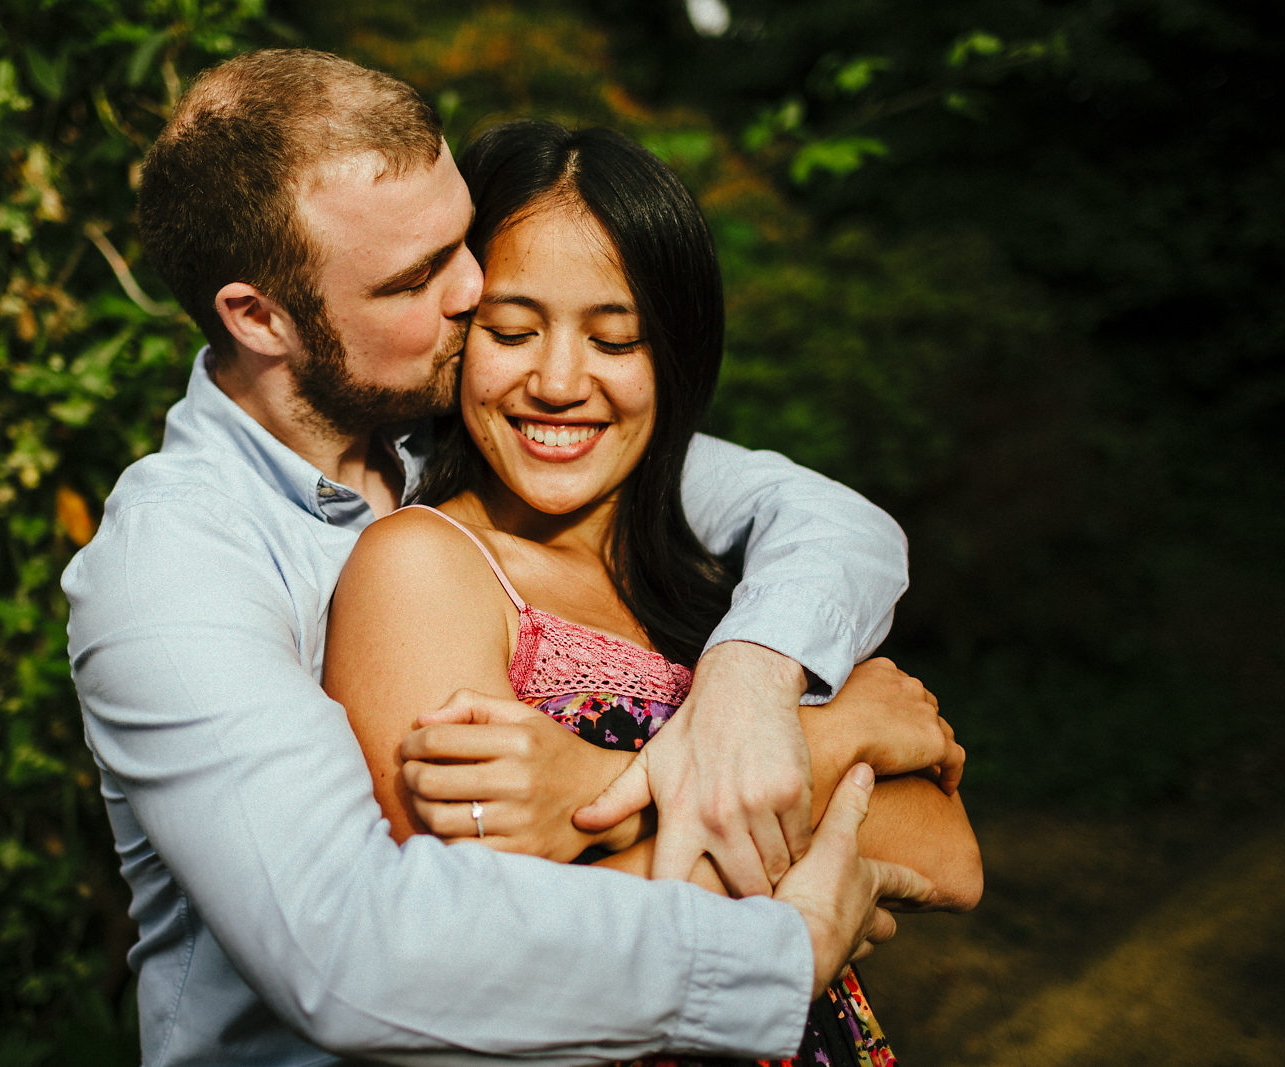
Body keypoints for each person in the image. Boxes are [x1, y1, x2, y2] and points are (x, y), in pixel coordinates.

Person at [64, 49, 923, 1065]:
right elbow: (353, 951)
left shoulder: (458, 425)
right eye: (418, 275)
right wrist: (778, 949)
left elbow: (825, 519)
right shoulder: (170, 570)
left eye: (457, 239)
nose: (474, 288)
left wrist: (749, 684)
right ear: (261, 318)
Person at [323, 120, 980, 1067]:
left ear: (674, 359)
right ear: (455, 336)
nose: (557, 381)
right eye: (511, 331)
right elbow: (474, 961)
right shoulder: (423, 564)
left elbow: (949, 852)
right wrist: (837, 739)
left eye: (616, 339)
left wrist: (593, 794)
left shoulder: (716, 581)